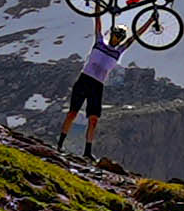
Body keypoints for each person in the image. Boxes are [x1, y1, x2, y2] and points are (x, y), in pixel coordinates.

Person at [56, 17, 132, 160]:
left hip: (98, 85)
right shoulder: (99, 42)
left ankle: (87, 151)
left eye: (119, 38)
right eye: (116, 35)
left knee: (93, 119)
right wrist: (98, 3)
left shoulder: (118, 51)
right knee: (72, 113)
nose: (117, 39)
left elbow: (135, 37)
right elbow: (97, 21)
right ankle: (59, 144)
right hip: (84, 80)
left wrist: (151, 21)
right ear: (112, 35)